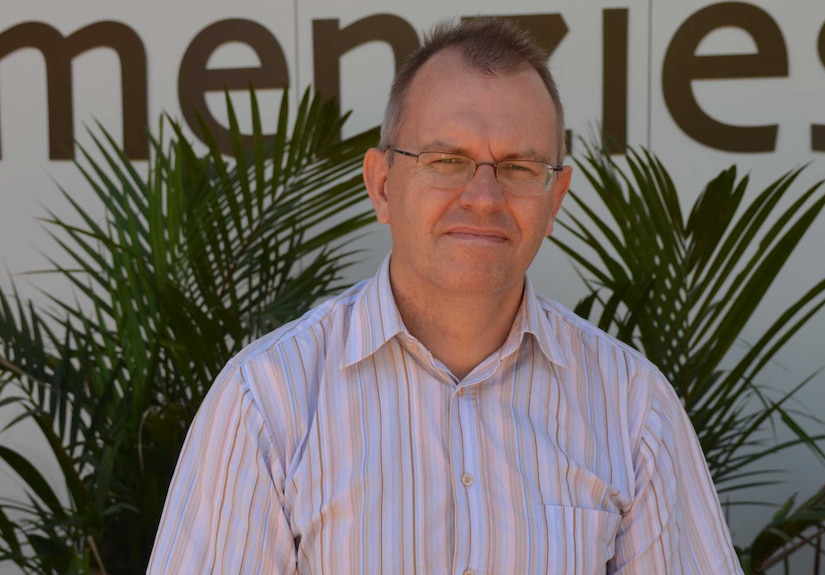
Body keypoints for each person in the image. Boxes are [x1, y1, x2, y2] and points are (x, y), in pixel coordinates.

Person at [148, 17, 743, 574]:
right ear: (382, 185)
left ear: (555, 199)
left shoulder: (634, 408)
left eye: (517, 167)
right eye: (446, 159)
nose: (483, 196)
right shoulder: (268, 401)